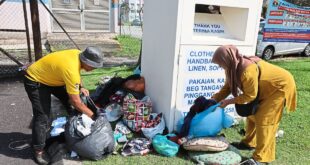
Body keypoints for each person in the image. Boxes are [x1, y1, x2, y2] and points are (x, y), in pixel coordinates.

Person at [211, 45, 297, 165]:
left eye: (220, 63)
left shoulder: (247, 71)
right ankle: (249, 143)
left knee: (266, 121)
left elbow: (250, 96)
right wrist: (214, 100)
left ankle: (262, 158)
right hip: (263, 88)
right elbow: (227, 88)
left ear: (227, 59)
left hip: (279, 87)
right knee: (252, 115)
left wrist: (229, 102)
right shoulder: (232, 68)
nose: (220, 67)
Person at [24, 46, 104, 165]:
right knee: (42, 116)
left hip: (52, 78)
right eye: (92, 66)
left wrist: (81, 87)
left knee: (70, 103)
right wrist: (93, 116)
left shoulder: (79, 55)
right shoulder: (71, 69)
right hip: (35, 79)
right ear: (85, 61)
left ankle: (72, 131)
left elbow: (76, 75)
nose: (93, 69)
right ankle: (38, 150)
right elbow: (76, 101)